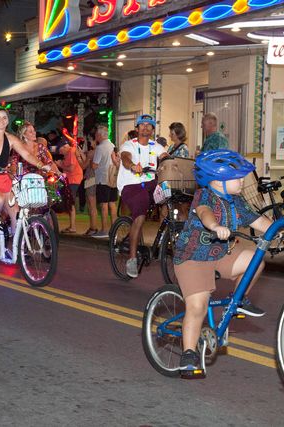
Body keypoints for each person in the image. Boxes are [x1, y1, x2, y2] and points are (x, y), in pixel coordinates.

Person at [173, 149, 271, 377]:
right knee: (197, 307)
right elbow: (205, 213)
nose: (241, 181)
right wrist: (215, 226)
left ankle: (235, 302)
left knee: (255, 260)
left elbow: (260, 222)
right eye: (236, 177)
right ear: (217, 181)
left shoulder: (236, 201)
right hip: (193, 257)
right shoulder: (204, 196)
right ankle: (188, 353)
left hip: (220, 253)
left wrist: (278, 228)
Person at [0, 106, 52, 245]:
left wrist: (41, 165)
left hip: (3, 178)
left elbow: (26, 155)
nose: (1, 120)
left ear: (8, 121)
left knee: (15, 211)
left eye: (4, 117)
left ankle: (16, 245)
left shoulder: (12, 139)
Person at [116, 114, 168, 277]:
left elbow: (165, 157)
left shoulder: (157, 146)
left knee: (171, 194)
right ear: (137, 128)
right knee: (140, 214)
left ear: (153, 129)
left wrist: (169, 161)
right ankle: (132, 258)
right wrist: (132, 165)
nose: (145, 127)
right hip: (131, 185)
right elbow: (125, 158)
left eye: (149, 125)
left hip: (149, 184)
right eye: (142, 124)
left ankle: (169, 233)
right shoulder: (129, 145)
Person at [55, 128, 83, 234]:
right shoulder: (68, 153)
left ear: (64, 146)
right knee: (69, 202)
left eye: (61, 150)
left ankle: (73, 227)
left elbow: (71, 168)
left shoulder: (71, 151)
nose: (60, 152)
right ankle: (71, 225)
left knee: (71, 203)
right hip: (72, 179)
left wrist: (60, 165)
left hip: (74, 179)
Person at [92, 125, 118, 238]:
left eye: (96, 134)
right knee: (112, 204)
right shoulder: (112, 145)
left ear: (100, 135)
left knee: (103, 205)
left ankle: (104, 230)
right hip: (112, 178)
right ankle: (115, 228)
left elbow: (94, 165)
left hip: (102, 179)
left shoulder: (100, 148)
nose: (95, 136)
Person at [81, 131, 99, 236]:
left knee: (91, 205)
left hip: (90, 179)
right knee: (92, 204)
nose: (90, 142)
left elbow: (83, 166)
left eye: (91, 140)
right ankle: (93, 226)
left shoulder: (92, 153)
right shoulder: (98, 152)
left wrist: (79, 158)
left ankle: (93, 227)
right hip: (95, 178)